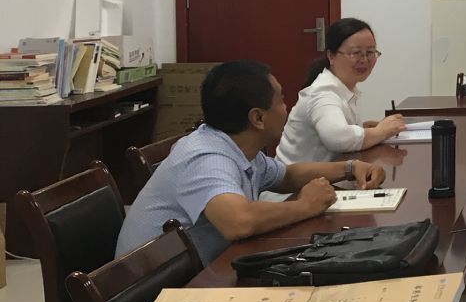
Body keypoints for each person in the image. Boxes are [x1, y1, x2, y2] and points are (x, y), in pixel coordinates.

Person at [117, 60, 386, 264]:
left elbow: (286, 176)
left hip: (198, 270)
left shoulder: (237, 145)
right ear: (257, 118)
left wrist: (350, 168)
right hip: (152, 294)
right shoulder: (206, 157)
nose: (287, 108)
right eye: (281, 100)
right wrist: (306, 205)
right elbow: (239, 221)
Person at [277, 17, 405, 164]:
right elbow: (337, 138)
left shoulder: (344, 87)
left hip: (323, 175)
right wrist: (379, 132)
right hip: (294, 178)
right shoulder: (323, 92)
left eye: (370, 52)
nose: (364, 60)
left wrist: (363, 129)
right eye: (355, 53)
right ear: (331, 56)